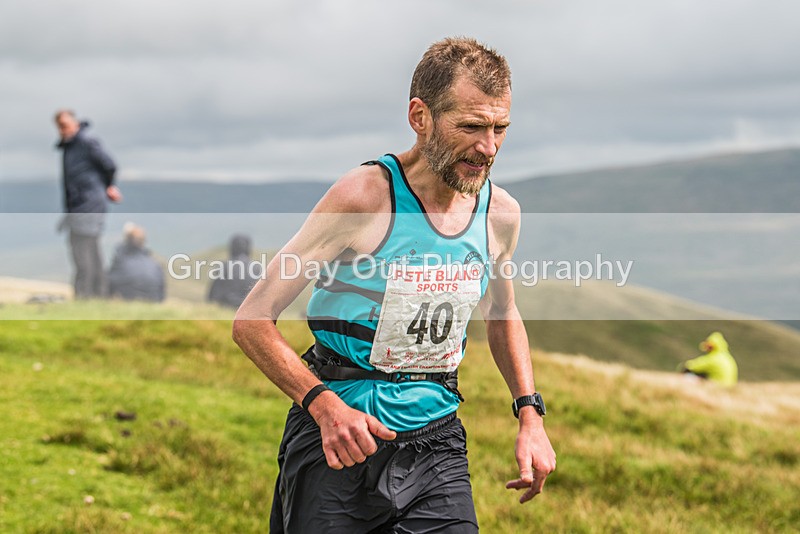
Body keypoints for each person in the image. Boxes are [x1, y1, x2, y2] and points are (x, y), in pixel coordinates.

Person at [233, 37, 556, 532]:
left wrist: (530, 415)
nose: (488, 147)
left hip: (437, 442)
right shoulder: (364, 197)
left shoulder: (500, 214)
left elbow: (502, 313)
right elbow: (252, 321)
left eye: (499, 128)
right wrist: (324, 408)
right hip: (337, 440)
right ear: (419, 116)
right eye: (471, 126)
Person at [54, 110, 122, 299]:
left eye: (65, 125)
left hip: (88, 205)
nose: (62, 130)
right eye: (59, 126)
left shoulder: (85, 142)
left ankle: (85, 296)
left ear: (75, 123)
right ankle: (97, 295)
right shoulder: (69, 146)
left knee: (83, 251)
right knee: (90, 250)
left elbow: (110, 165)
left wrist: (108, 186)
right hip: (80, 206)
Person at [107, 223, 165, 302]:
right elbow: (161, 294)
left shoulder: (121, 262)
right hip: (153, 302)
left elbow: (109, 285)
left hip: (128, 301)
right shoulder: (155, 265)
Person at [207, 234, 261, 309]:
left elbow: (212, 296)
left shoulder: (224, 267)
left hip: (227, 309)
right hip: (250, 310)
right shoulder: (257, 268)